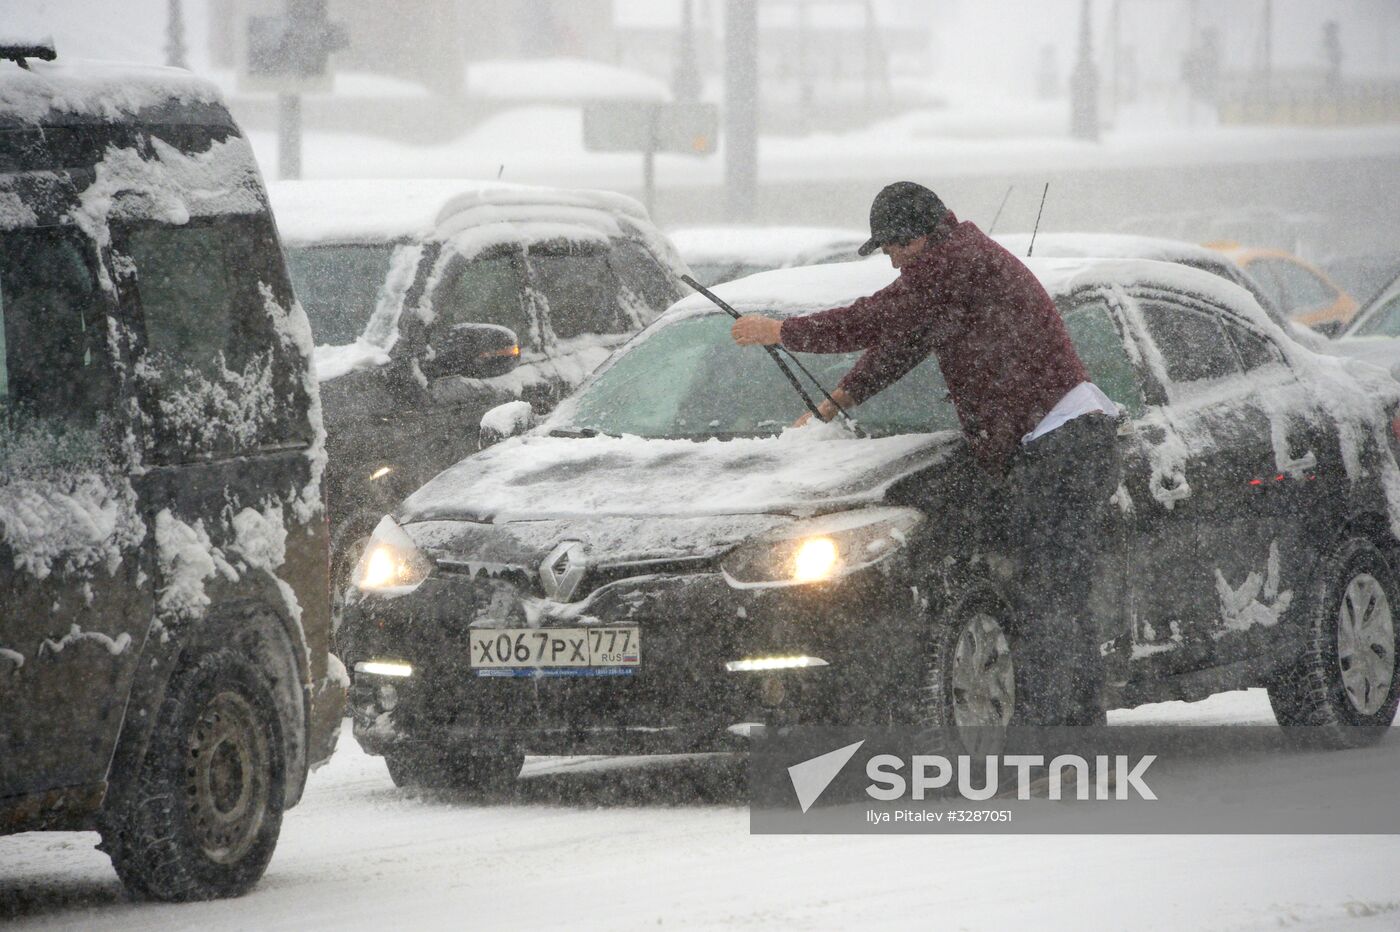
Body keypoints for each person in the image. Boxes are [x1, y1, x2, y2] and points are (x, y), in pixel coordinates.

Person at [730, 181, 1122, 725]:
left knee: (1050, 604)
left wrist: (781, 330)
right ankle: (1071, 732)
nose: (892, 262)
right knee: (1050, 601)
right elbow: (906, 341)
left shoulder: (956, 264)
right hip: (1057, 441)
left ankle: (1067, 738)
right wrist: (841, 397)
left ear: (924, 235)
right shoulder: (956, 269)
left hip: (1061, 444)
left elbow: (870, 319)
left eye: (895, 247)